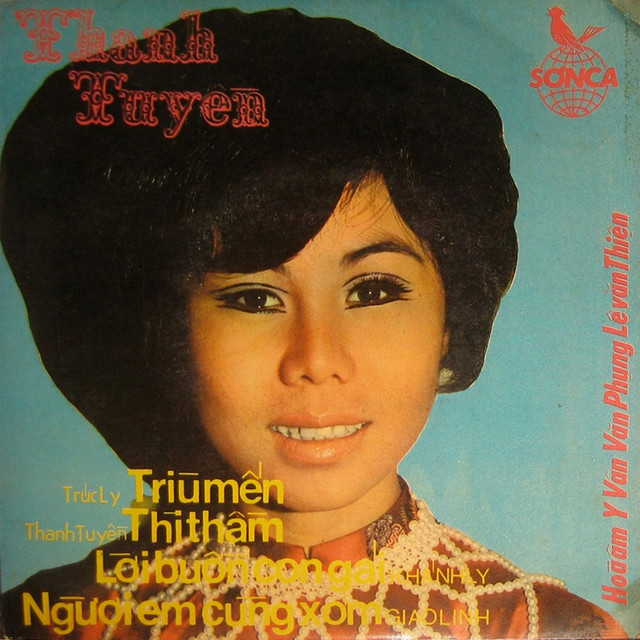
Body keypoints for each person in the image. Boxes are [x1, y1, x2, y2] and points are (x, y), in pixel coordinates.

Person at [0, 7, 627, 640]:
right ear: (168, 335)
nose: (316, 358)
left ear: (449, 321)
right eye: (254, 299)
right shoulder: (51, 623)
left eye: (374, 290)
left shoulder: (546, 628)